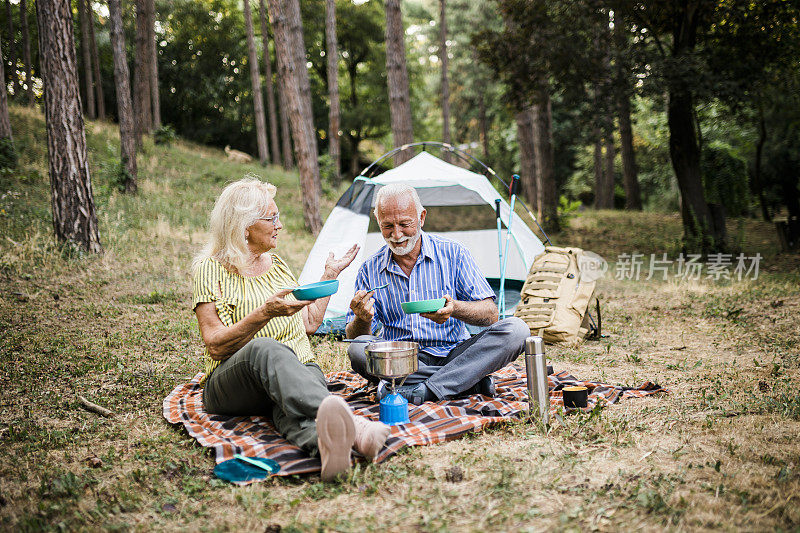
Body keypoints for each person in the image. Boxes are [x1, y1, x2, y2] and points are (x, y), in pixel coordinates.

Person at [192, 176, 389, 481]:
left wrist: (329, 274)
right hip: (232, 384)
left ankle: (328, 450)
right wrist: (264, 314)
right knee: (266, 348)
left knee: (293, 399)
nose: (280, 225)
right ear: (244, 226)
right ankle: (357, 426)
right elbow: (215, 344)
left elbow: (309, 323)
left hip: (295, 372)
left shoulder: (277, 264)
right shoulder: (209, 269)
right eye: (272, 218)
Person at [345, 183, 529, 405]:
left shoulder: (454, 253)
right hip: (403, 360)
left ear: (421, 218)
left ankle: (425, 390)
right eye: (387, 226)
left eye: (405, 224)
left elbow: (490, 314)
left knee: (517, 330)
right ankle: (468, 381)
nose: (396, 234)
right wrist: (362, 319)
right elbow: (355, 336)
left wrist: (455, 309)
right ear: (379, 223)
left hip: (457, 354)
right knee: (358, 349)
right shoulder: (369, 268)